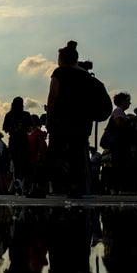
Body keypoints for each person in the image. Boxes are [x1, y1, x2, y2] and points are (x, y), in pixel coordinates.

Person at [45, 40, 95, 198]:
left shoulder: (59, 72)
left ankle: (40, 185)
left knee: (53, 153)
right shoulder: (85, 75)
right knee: (77, 155)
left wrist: (50, 117)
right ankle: (75, 187)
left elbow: (53, 95)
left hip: (61, 119)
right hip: (80, 121)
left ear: (61, 59)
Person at [2, 97, 31, 195]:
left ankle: (18, 181)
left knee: (16, 163)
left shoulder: (9, 115)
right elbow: (29, 129)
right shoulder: (26, 115)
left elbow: (5, 129)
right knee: (25, 163)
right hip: (23, 141)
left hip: (13, 141)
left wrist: (13, 129)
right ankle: (23, 184)